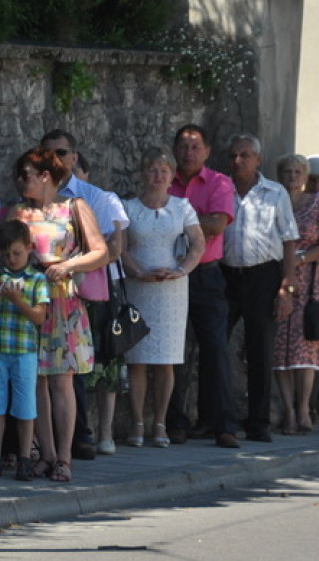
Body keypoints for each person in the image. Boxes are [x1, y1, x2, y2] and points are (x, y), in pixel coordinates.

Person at [7, 148, 107, 483]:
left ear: (46, 176)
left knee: (62, 380)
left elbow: (100, 252)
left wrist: (67, 265)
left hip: (63, 298)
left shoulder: (74, 207)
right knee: (33, 380)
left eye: (27, 174)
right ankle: (46, 453)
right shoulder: (18, 213)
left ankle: (64, 456)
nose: (21, 181)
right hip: (29, 297)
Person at [40, 129, 127, 461]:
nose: (56, 159)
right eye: (48, 153)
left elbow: (110, 249)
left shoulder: (94, 197)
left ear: (75, 157)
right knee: (51, 371)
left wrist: (69, 268)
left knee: (76, 370)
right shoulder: (35, 195)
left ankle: (81, 435)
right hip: (46, 296)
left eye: (62, 152)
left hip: (85, 294)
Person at [120, 147, 205, 448]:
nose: (158, 175)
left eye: (164, 170)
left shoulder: (183, 208)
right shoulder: (129, 207)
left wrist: (181, 270)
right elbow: (121, 247)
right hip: (140, 285)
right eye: (153, 169)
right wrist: (138, 272)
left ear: (172, 176)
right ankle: (138, 422)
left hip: (171, 289)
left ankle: (160, 423)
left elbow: (198, 244)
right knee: (138, 360)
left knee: (166, 360)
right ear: (143, 173)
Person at [165, 124, 239, 448]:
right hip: (173, 272)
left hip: (206, 274)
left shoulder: (220, 182)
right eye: (183, 146)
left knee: (215, 350)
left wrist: (177, 221)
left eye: (195, 146)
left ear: (207, 151)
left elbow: (217, 223)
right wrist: (196, 221)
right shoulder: (165, 180)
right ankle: (175, 423)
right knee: (174, 350)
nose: (188, 152)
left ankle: (222, 424)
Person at [222, 134, 298, 443]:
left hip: (263, 275)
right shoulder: (221, 188)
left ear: (258, 160)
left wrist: (286, 287)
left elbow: (290, 239)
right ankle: (215, 418)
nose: (238, 160)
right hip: (226, 275)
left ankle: (259, 422)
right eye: (234, 155)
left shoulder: (275, 193)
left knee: (260, 350)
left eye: (244, 155)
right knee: (214, 345)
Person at [0, 220, 49, 481]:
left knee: (25, 406)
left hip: (24, 351)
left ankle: (24, 458)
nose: (12, 259)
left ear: (28, 248)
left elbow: (40, 316)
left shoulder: (37, 279)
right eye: (6, 254)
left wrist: (18, 300)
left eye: (17, 253)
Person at [272, 154, 319, 435]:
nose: (293, 175)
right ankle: (288, 412)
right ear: (280, 175)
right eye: (287, 171)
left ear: (306, 175)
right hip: (276, 279)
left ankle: (304, 408)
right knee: (280, 347)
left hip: (309, 281)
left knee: (305, 346)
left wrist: (299, 259)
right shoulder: (273, 201)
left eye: (298, 171)